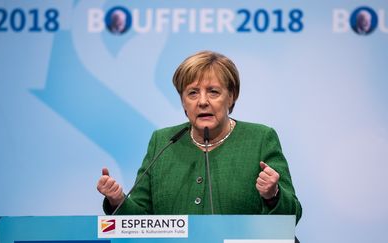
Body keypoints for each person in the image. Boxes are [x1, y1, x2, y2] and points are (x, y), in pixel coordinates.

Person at [97, 51, 302, 223]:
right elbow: (140, 221)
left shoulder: (260, 139)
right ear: (183, 101)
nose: (202, 101)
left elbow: (292, 216)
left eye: (213, 92)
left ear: (231, 96)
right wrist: (118, 201)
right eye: (192, 93)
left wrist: (273, 195)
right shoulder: (162, 141)